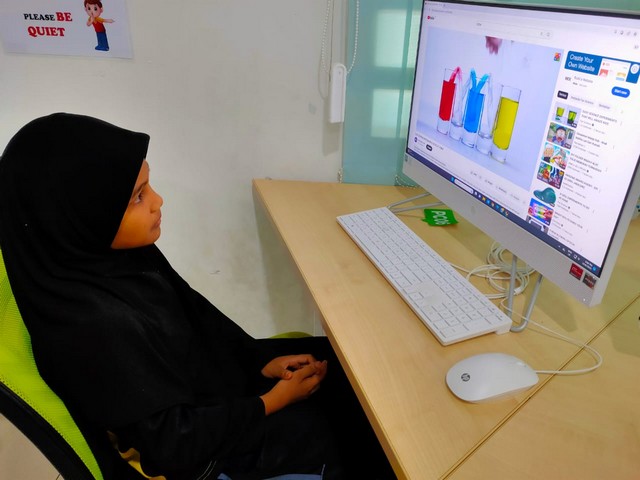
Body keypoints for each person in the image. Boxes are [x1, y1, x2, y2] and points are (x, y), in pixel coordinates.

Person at [0, 113, 396, 480]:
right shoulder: (93, 326)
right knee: (341, 429)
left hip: (203, 400)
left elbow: (197, 320)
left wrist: (260, 362)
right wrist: (273, 401)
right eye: (138, 197)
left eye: (148, 187)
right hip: (198, 457)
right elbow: (174, 445)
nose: (157, 201)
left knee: (345, 370)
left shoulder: (112, 260)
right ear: (82, 218)